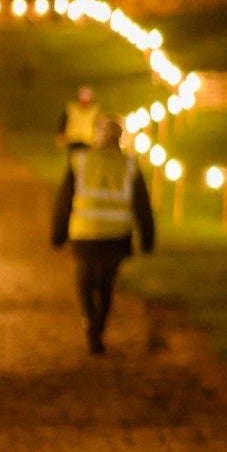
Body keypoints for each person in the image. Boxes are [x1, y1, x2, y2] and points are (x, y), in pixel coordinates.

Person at [49, 118, 155, 355]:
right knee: (106, 286)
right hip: (116, 237)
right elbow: (142, 206)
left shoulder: (80, 161)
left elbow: (64, 201)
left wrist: (58, 234)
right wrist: (147, 239)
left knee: (84, 284)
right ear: (119, 139)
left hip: (85, 235)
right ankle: (99, 326)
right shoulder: (129, 165)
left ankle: (89, 323)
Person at [56, 86, 101, 153]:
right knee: (72, 159)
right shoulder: (71, 108)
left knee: (82, 159)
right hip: (72, 139)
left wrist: (98, 138)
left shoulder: (94, 111)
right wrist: (60, 134)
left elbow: (98, 125)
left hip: (87, 140)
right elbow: (63, 121)